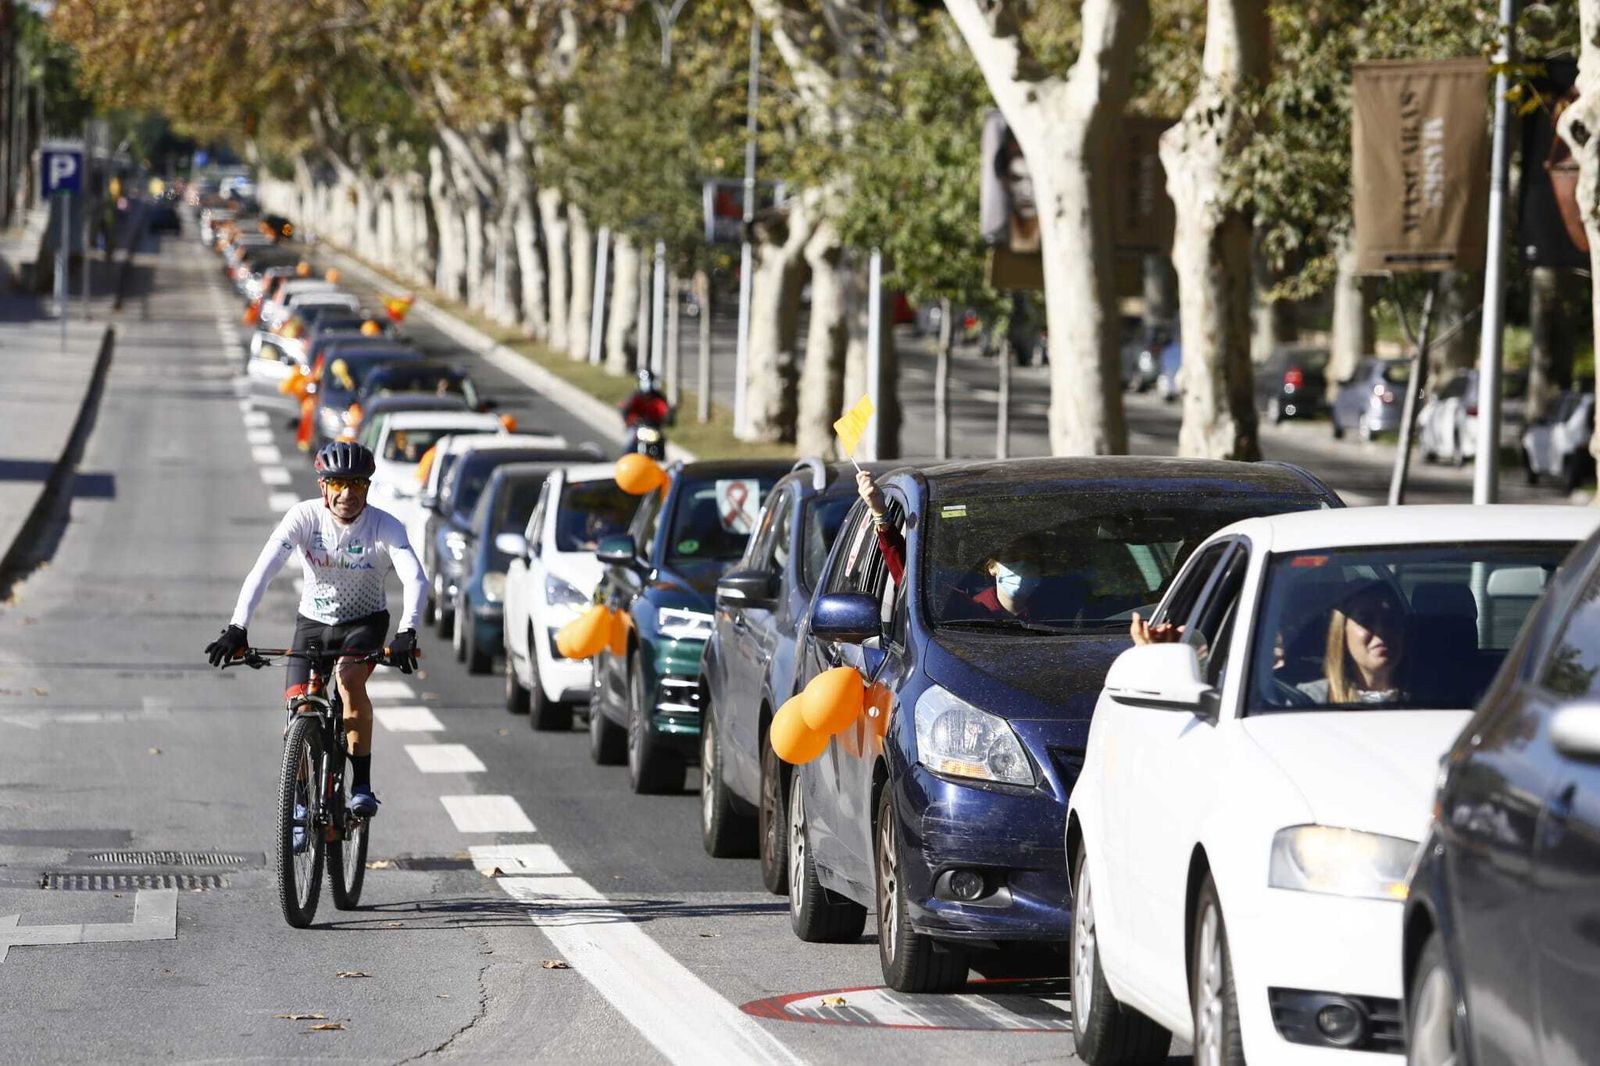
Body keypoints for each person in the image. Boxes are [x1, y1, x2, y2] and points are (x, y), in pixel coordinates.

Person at [204, 441, 426, 817]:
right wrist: (237, 626)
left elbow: (415, 578)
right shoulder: (304, 517)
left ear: (367, 487)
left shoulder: (384, 525)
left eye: (356, 483)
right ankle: (303, 800)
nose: (347, 494)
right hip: (313, 624)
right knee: (299, 706)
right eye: (337, 483)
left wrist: (408, 631)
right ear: (323, 486)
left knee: (348, 679)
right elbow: (263, 571)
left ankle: (361, 785)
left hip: (365, 623)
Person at [855, 470, 1048, 620]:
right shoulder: (963, 611)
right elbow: (910, 576)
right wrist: (880, 512)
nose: (1022, 567)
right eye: (1013, 557)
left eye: (1030, 560)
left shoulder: (1059, 614)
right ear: (992, 567)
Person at [1297, 582, 1408, 705]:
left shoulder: (1428, 700)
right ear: (1342, 633)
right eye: (1365, 621)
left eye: (1390, 620)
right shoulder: (1309, 700)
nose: (1381, 631)